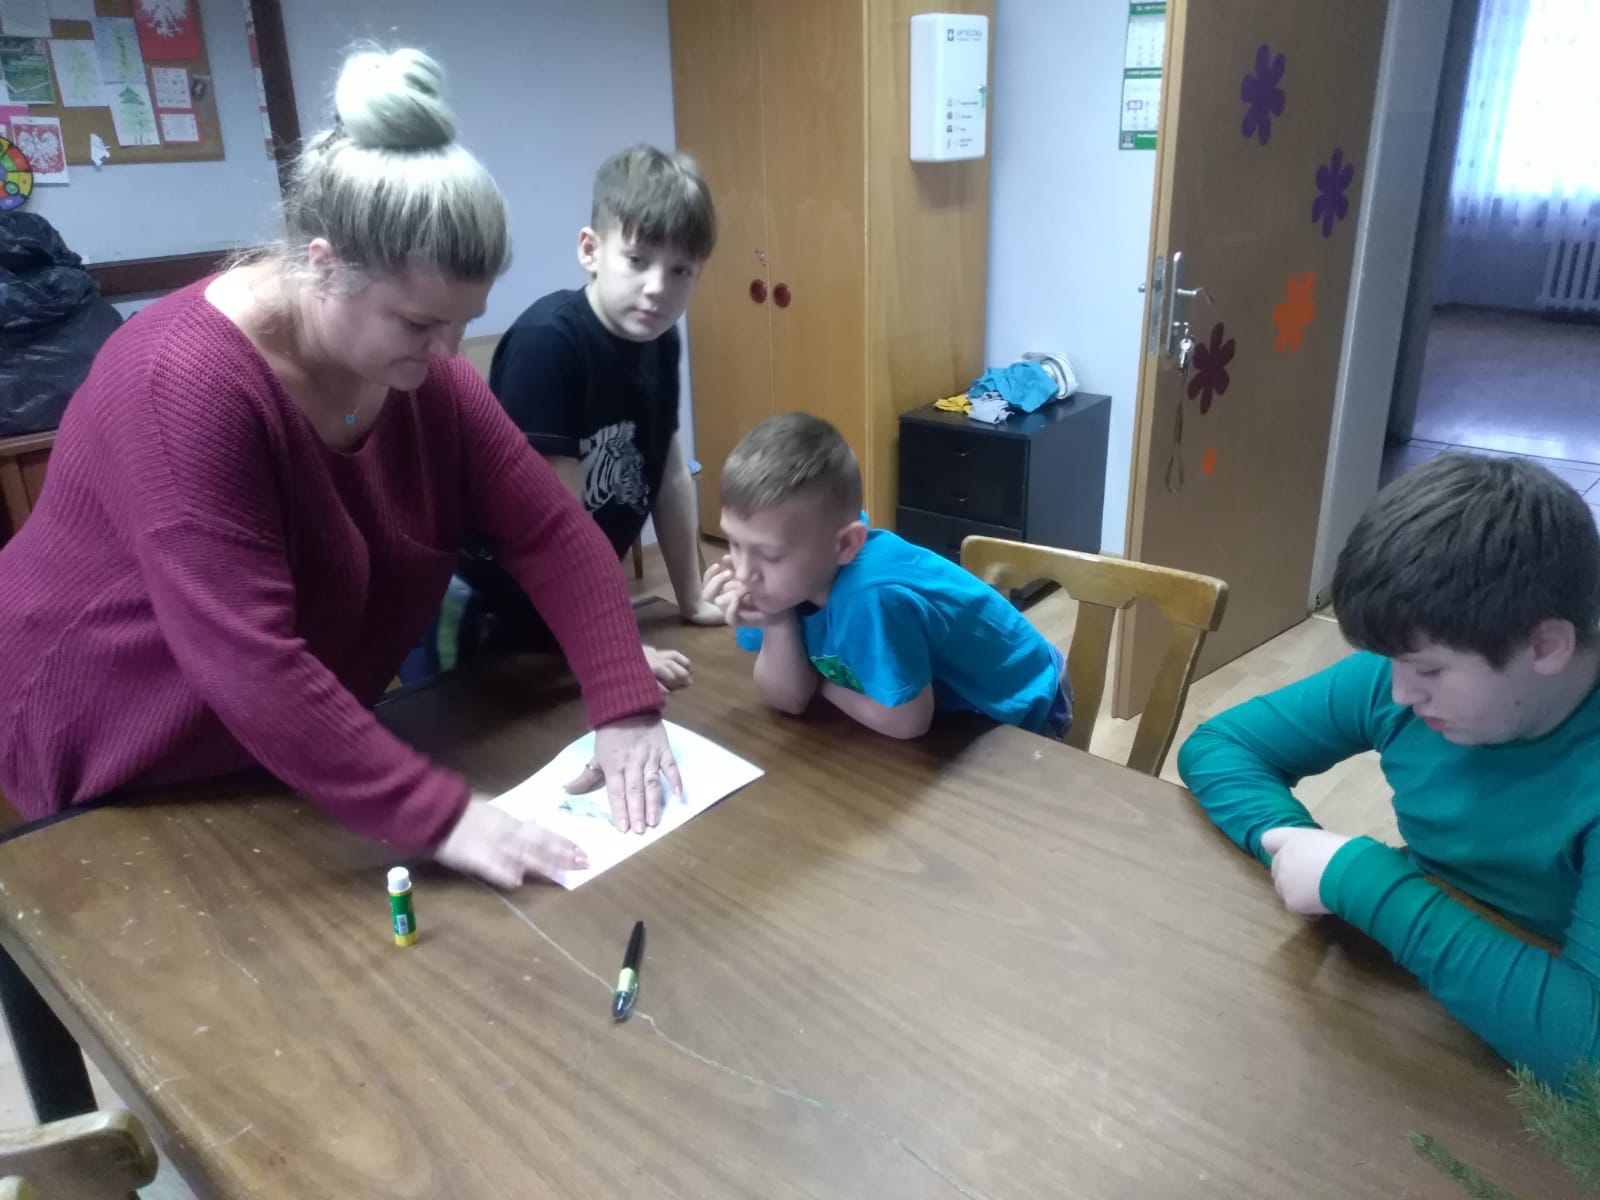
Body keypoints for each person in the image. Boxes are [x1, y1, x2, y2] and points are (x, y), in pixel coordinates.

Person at [0, 47, 682, 888]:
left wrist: (624, 702)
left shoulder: (425, 378)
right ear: (323, 265)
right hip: (112, 730)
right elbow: (250, 661)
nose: (448, 353)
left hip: (270, 743)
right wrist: (447, 816)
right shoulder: (184, 385)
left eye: (464, 321)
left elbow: (549, 530)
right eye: (420, 324)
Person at [1178, 453, 1600, 1086]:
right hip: (1438, 991)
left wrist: (1364, 879)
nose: (1401, 693)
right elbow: (1221, 746)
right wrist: (1298, 847)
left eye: (1429, 670)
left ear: (1545, 645)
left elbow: (1589, 1057)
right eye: (1395, 662)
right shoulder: (1410, 674)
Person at [413, 145, 721, 690]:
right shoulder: (549, 344)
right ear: (590, 250)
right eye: (638, 260)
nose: (658, 287)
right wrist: (614, 647)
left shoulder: (660, 339)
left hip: (567, 607)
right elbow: (557, 525)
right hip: (492, 606)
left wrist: (691, 597)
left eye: (680, 270)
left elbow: (671, 476)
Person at [700, 413, 1071, 740]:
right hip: (950, 711)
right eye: (734, 543)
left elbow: (906, 722)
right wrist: (778, 622)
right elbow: (788, 700)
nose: (744, 571)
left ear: (846, 544)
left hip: (1025, 705)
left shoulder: (872, 595)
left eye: (768, 555)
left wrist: (815, 679)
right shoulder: (794, 576)